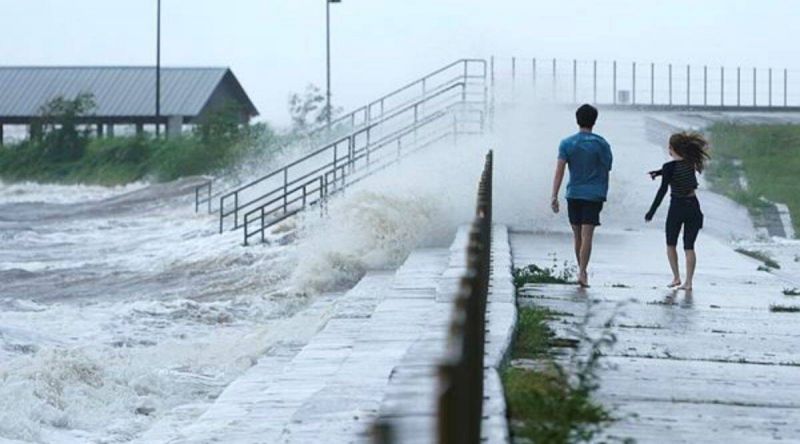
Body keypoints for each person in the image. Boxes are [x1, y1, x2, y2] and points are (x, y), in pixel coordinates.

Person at [550, 104, 613, 288]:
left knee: (577, 236)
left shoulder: (567, 143)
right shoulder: (602, 144)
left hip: (574, 194)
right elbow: (607, 168)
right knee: (587, 236)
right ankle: (582, 271)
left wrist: (554, 195)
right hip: (594, 195)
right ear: (594, 121)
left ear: (577, 120)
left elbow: (559, 171)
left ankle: (581, 270)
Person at [645, 132, 710, 291]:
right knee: (689, 247)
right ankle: (688, 282)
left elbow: (662, 191)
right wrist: (658, 173)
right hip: (693, 207)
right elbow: (672, 168)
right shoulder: (691, 163)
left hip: (677, 207)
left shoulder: (669, 167)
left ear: (672, 148)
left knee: (671, 243)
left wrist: (651, 212)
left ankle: (676, 277)